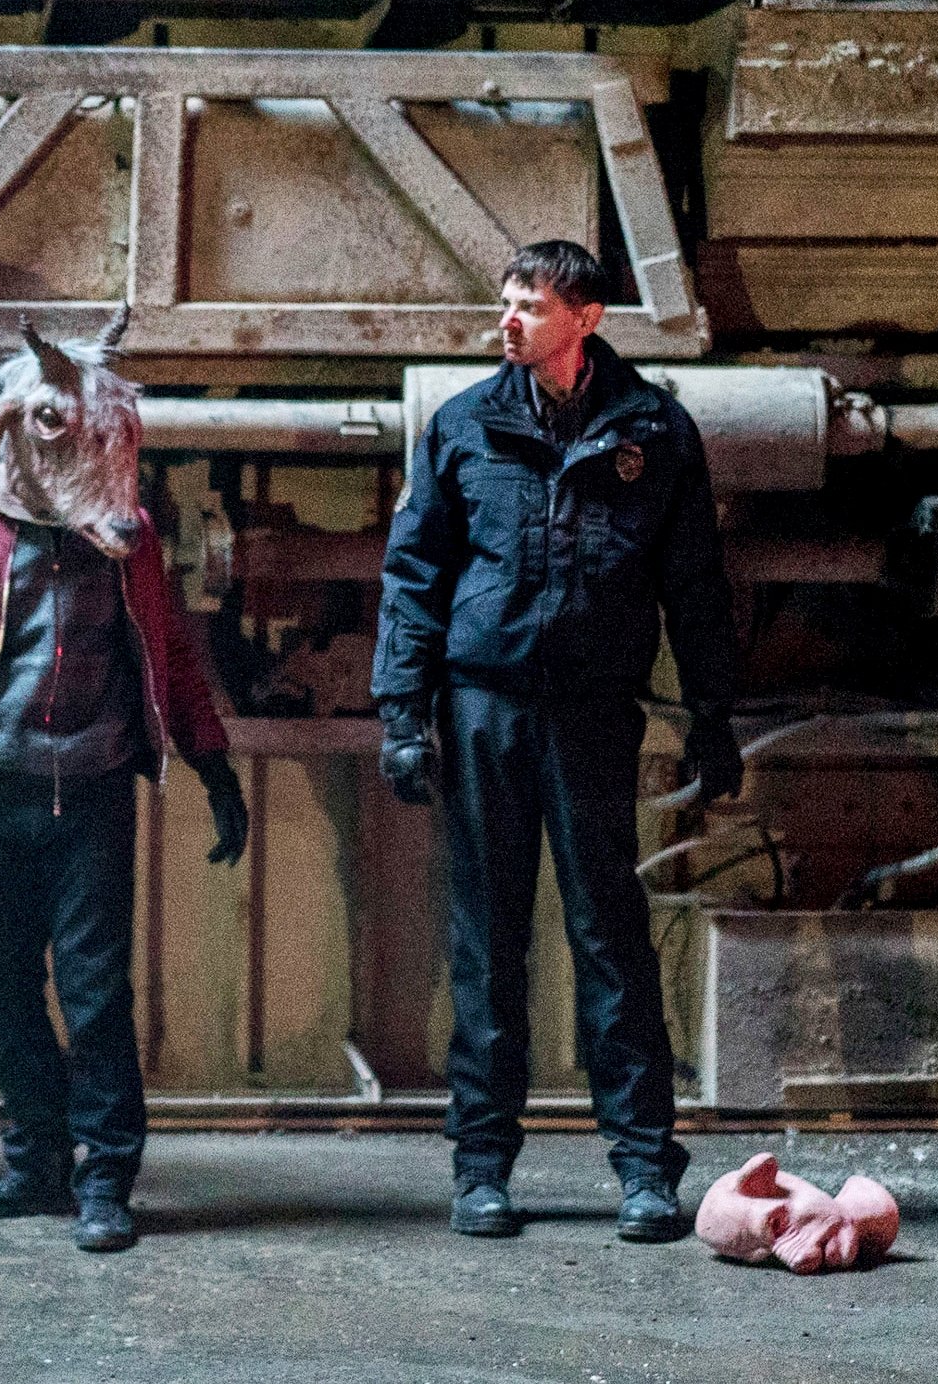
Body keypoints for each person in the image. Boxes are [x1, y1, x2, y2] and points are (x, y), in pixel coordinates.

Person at [370, 237, 742, 1242]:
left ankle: (645, 1170)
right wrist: (402, 714)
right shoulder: (463, 426)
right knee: (487, 941)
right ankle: (481, 1169)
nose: (508, 320)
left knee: (609, 934)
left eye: (529, 305)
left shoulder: (653, 431)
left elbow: (695, 585)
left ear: (586, 317)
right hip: (482, 708)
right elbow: (413, 577)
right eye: (505, 302)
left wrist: (714, 712)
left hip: (591, 714)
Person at [0, 311, 248, 1253]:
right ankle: (36, 1163)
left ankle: (106, 1178)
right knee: (1, 993)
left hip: (91, 796)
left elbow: (170, 654)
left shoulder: (129, 538)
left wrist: (213, 766)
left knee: (95, 993)